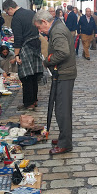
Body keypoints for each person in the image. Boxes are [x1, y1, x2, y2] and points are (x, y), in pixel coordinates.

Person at [33, 10, 76, 155]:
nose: (40, 31)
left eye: (39, 28)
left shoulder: (57, 31)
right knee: (61, 108)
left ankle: (65, 143)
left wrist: (48, 61)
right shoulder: (57, 27)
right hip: (63, 72)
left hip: (64, 73)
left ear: (44, 22)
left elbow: (63, 52)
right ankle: (64, 137)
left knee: (62, 110)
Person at [2, 0, 43, 110]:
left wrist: (16, 55)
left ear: (10, 8)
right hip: (36, 45)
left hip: (26, 47)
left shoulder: (16, 18)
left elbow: (18, 38)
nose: (7, 14)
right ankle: (34, 100)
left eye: (7, 12)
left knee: (26, 77)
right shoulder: (31, 13)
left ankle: (28, 103)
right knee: (34, 75)